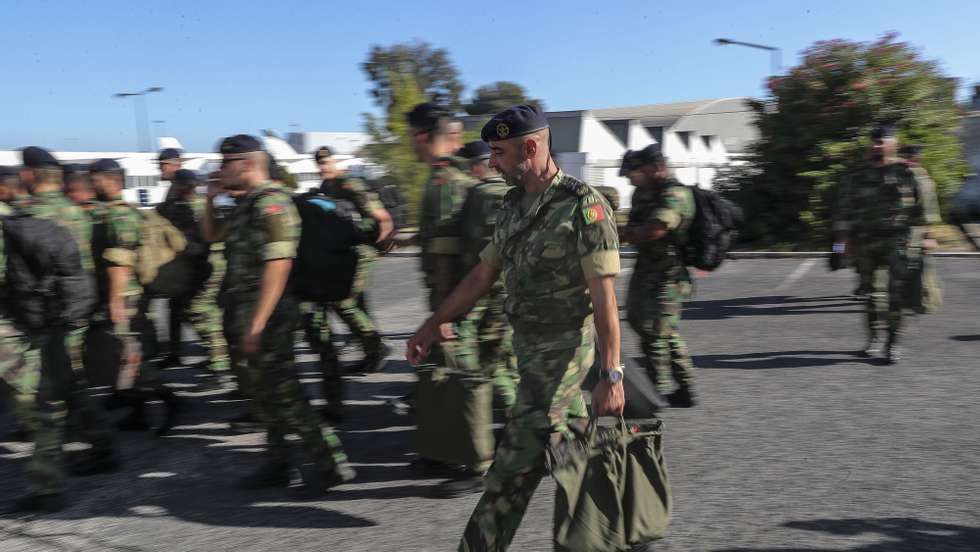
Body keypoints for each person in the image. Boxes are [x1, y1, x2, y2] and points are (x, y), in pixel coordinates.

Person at [406, 105, 627, 551]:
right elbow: (481, 276)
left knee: (513, 465)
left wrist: (611, 374)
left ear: (531, 146)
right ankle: (608, 534)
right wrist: (432, 325)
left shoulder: (584, 207)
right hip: (526, 349)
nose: (492, 163)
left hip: (565, 351)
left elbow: (604, 302)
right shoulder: (511, 206)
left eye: (500, 152)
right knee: (572, 448)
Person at [201, 135, 354, 496]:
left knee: (284, 392)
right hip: (247, 310)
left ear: (248, 164)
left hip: (270, 313)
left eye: (226, 163)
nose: (219, 170)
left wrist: (257, 323)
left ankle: (331, 462)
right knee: (262, 392)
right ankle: (278, 461)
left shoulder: (272, 203)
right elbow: (210, 235)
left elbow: (279, 262)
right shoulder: (245, 204)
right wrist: (209, 199)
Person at [407, 103, 498, 498]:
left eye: (411, 136)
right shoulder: (451, 178)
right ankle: (441, 451)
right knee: (436, 374)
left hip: (456, 302)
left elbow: (444, 255)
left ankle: (479, 464)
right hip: (458, 298)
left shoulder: (444, 183)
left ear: (423, 136)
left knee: (460, 376)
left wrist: (441, 317)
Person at [89, 158, 181, 436]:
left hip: (125, 297)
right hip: (119, 295)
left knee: (131, 359)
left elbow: (122, 261)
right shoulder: (109, 212)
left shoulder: (121, 215)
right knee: (124, 361)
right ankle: (138, 413)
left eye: (96, 179)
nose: (92, 184)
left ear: (113, 181)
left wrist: (115, 301)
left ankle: (169, 400)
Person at [301, 146, 393, 422]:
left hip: (358, 250)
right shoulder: (325, 185)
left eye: (326, 161)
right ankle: (372, 347)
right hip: (337, 252)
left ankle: (374, 347)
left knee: (343, 301)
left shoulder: (350, 183)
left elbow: (380, 217)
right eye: (319, 162)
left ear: (336, 160)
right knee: (343, 303)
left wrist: (377, 247)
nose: (322, 166)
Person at [833, 126, 940, 363]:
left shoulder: (909, 173)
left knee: (896, 295)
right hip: (865, 243)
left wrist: (928, 235)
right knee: (871, 295)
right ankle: (874, 339)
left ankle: (893, 343)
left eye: (882, 141)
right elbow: (842, 211)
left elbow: (925, 208)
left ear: (894, 143)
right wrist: (841, 244)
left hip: (899, 242)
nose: (876, 146)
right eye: (874, 142)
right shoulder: (855, 176)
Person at [619, 144, 698, 407]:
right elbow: (635, 223)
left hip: (669, 275)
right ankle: (684, 388)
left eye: (636, 173)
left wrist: (616, 234)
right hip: (646, 268)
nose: (632, 179)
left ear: (656, 168)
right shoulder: (643, 193)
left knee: (656, 331)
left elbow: (656, 229)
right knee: (645, 324)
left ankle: (657, 390)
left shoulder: (675, 194)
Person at [457, 141, 519, 412]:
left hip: (487, 286)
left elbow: (468, 243)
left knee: (488, 358)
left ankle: (519, 423)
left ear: (476, 166)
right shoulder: (516, 189)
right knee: (507, 353)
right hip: (516, 286)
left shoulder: (477, 194)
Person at [155, 169, 229, 384]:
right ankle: (217, 359)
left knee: (200, 311)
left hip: (208, 264)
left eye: (187, 186)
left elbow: (207, 239)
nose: (185, 189)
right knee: (194, 311)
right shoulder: (173, 206)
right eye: (181, 186)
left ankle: (220, 363)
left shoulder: (198, 206)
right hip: (190, 267)